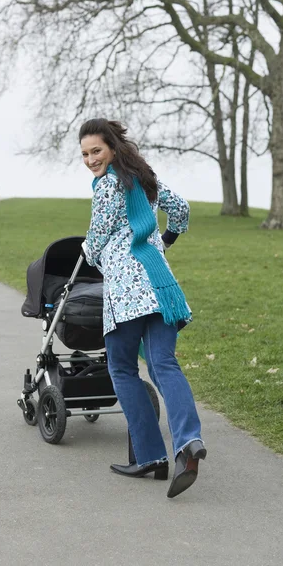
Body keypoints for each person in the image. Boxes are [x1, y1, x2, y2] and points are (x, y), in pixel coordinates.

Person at [79, 118, 206, 499]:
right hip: (162, 284)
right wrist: (164, 239)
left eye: (96, 151)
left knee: (121, 368)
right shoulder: (146, 178)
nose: (90, 160)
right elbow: (180, 210)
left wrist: (86, 251)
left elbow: (96, 239)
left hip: (128, 290)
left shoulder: (105, 186)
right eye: (84, 154)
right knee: (164, 364)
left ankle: (151, 456)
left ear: (113, 149)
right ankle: (188, 442)